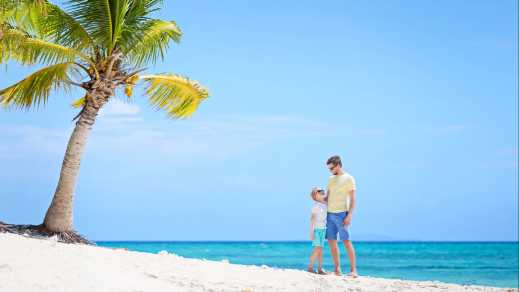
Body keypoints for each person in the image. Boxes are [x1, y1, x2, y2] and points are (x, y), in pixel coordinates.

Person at [325, 155, 358, 277]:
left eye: (332, 168)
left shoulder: (349, 178)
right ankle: (337, 269)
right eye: (329, 169)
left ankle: (354, 270)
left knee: (346, 241)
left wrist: (349, 216)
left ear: (338, 165)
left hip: (342, 214)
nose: (331, 171)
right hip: (329, 214)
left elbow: (353, 199)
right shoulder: (330, 179)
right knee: (332, 241)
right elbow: (327, 197)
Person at [307, 187, 327, 274]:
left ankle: (320, 268)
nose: (323, 192)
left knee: (320, 249)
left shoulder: (325, 204)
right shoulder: (316, 206)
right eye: (320, 191)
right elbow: (312, 220)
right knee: (317, 248)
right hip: (317, 229)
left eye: (323, 190)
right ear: (315, 195)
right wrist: (311, 232)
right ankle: (310, 267)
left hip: (323, 229)